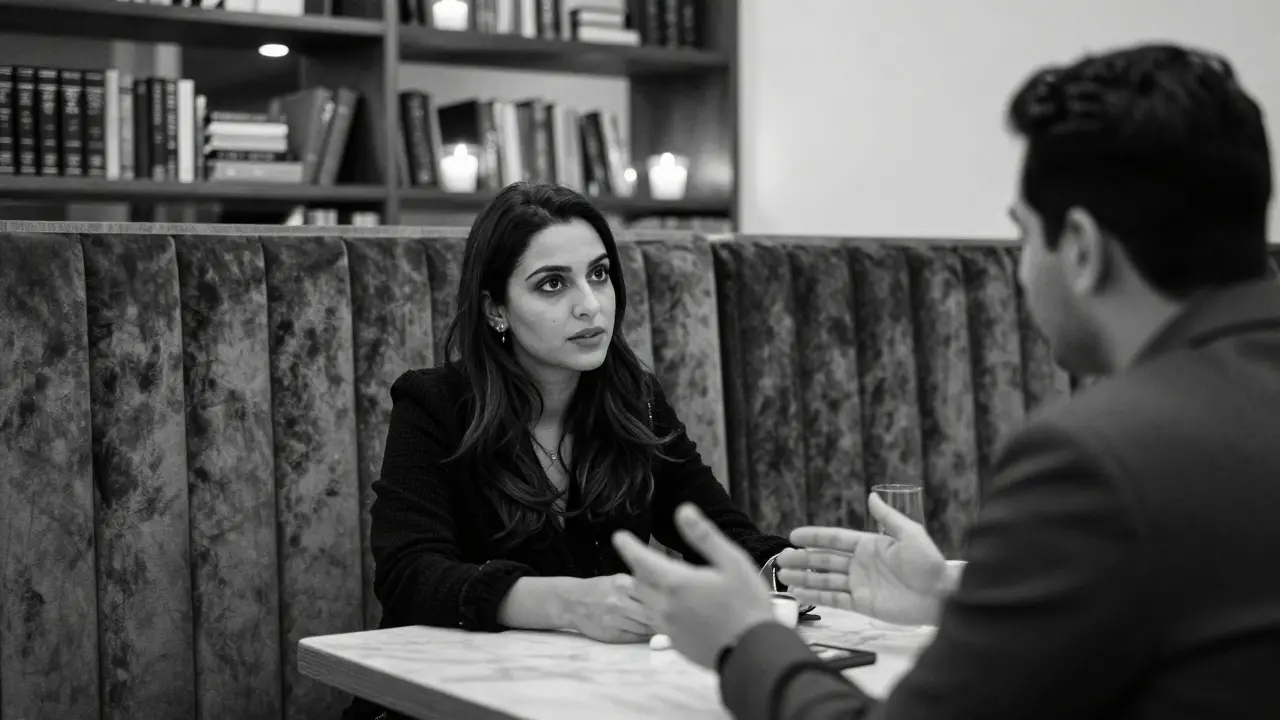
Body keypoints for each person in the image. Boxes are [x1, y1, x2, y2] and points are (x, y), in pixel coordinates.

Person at [611, 42, 1280, 719]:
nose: (1022, 271)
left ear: (1080, 248)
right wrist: (953, 598)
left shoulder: (1099, 459)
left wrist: (744, 642)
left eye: (1024, 238)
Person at [345, 182, 794, 719]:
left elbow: (717, 532)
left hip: (585, 697)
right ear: (496, 309)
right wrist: (570, 602)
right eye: (552, 284)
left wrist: (798, 570)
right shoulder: (435, 404)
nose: (589, 305)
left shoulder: (634, 399)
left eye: (599, 274)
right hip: (440, 703)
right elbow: (409, 574)